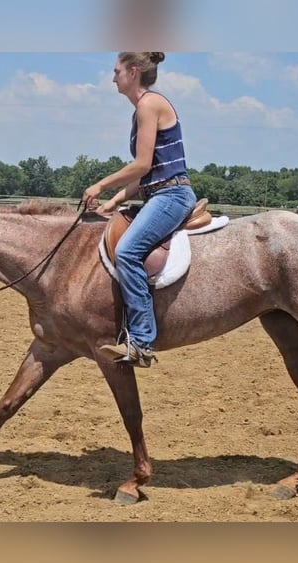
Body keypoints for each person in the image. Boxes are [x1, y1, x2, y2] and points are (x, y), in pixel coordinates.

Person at [82, 52, 197, 368]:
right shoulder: (141, 110)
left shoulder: (149, 104)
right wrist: (115, 201)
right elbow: (148, 173)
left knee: (129, 251)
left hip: (171, 196)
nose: (113, 76)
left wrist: (100, 185)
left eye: (116, 70)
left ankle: (142, 342)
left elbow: (142, 164)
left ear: (133, 72)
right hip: (157, 193)